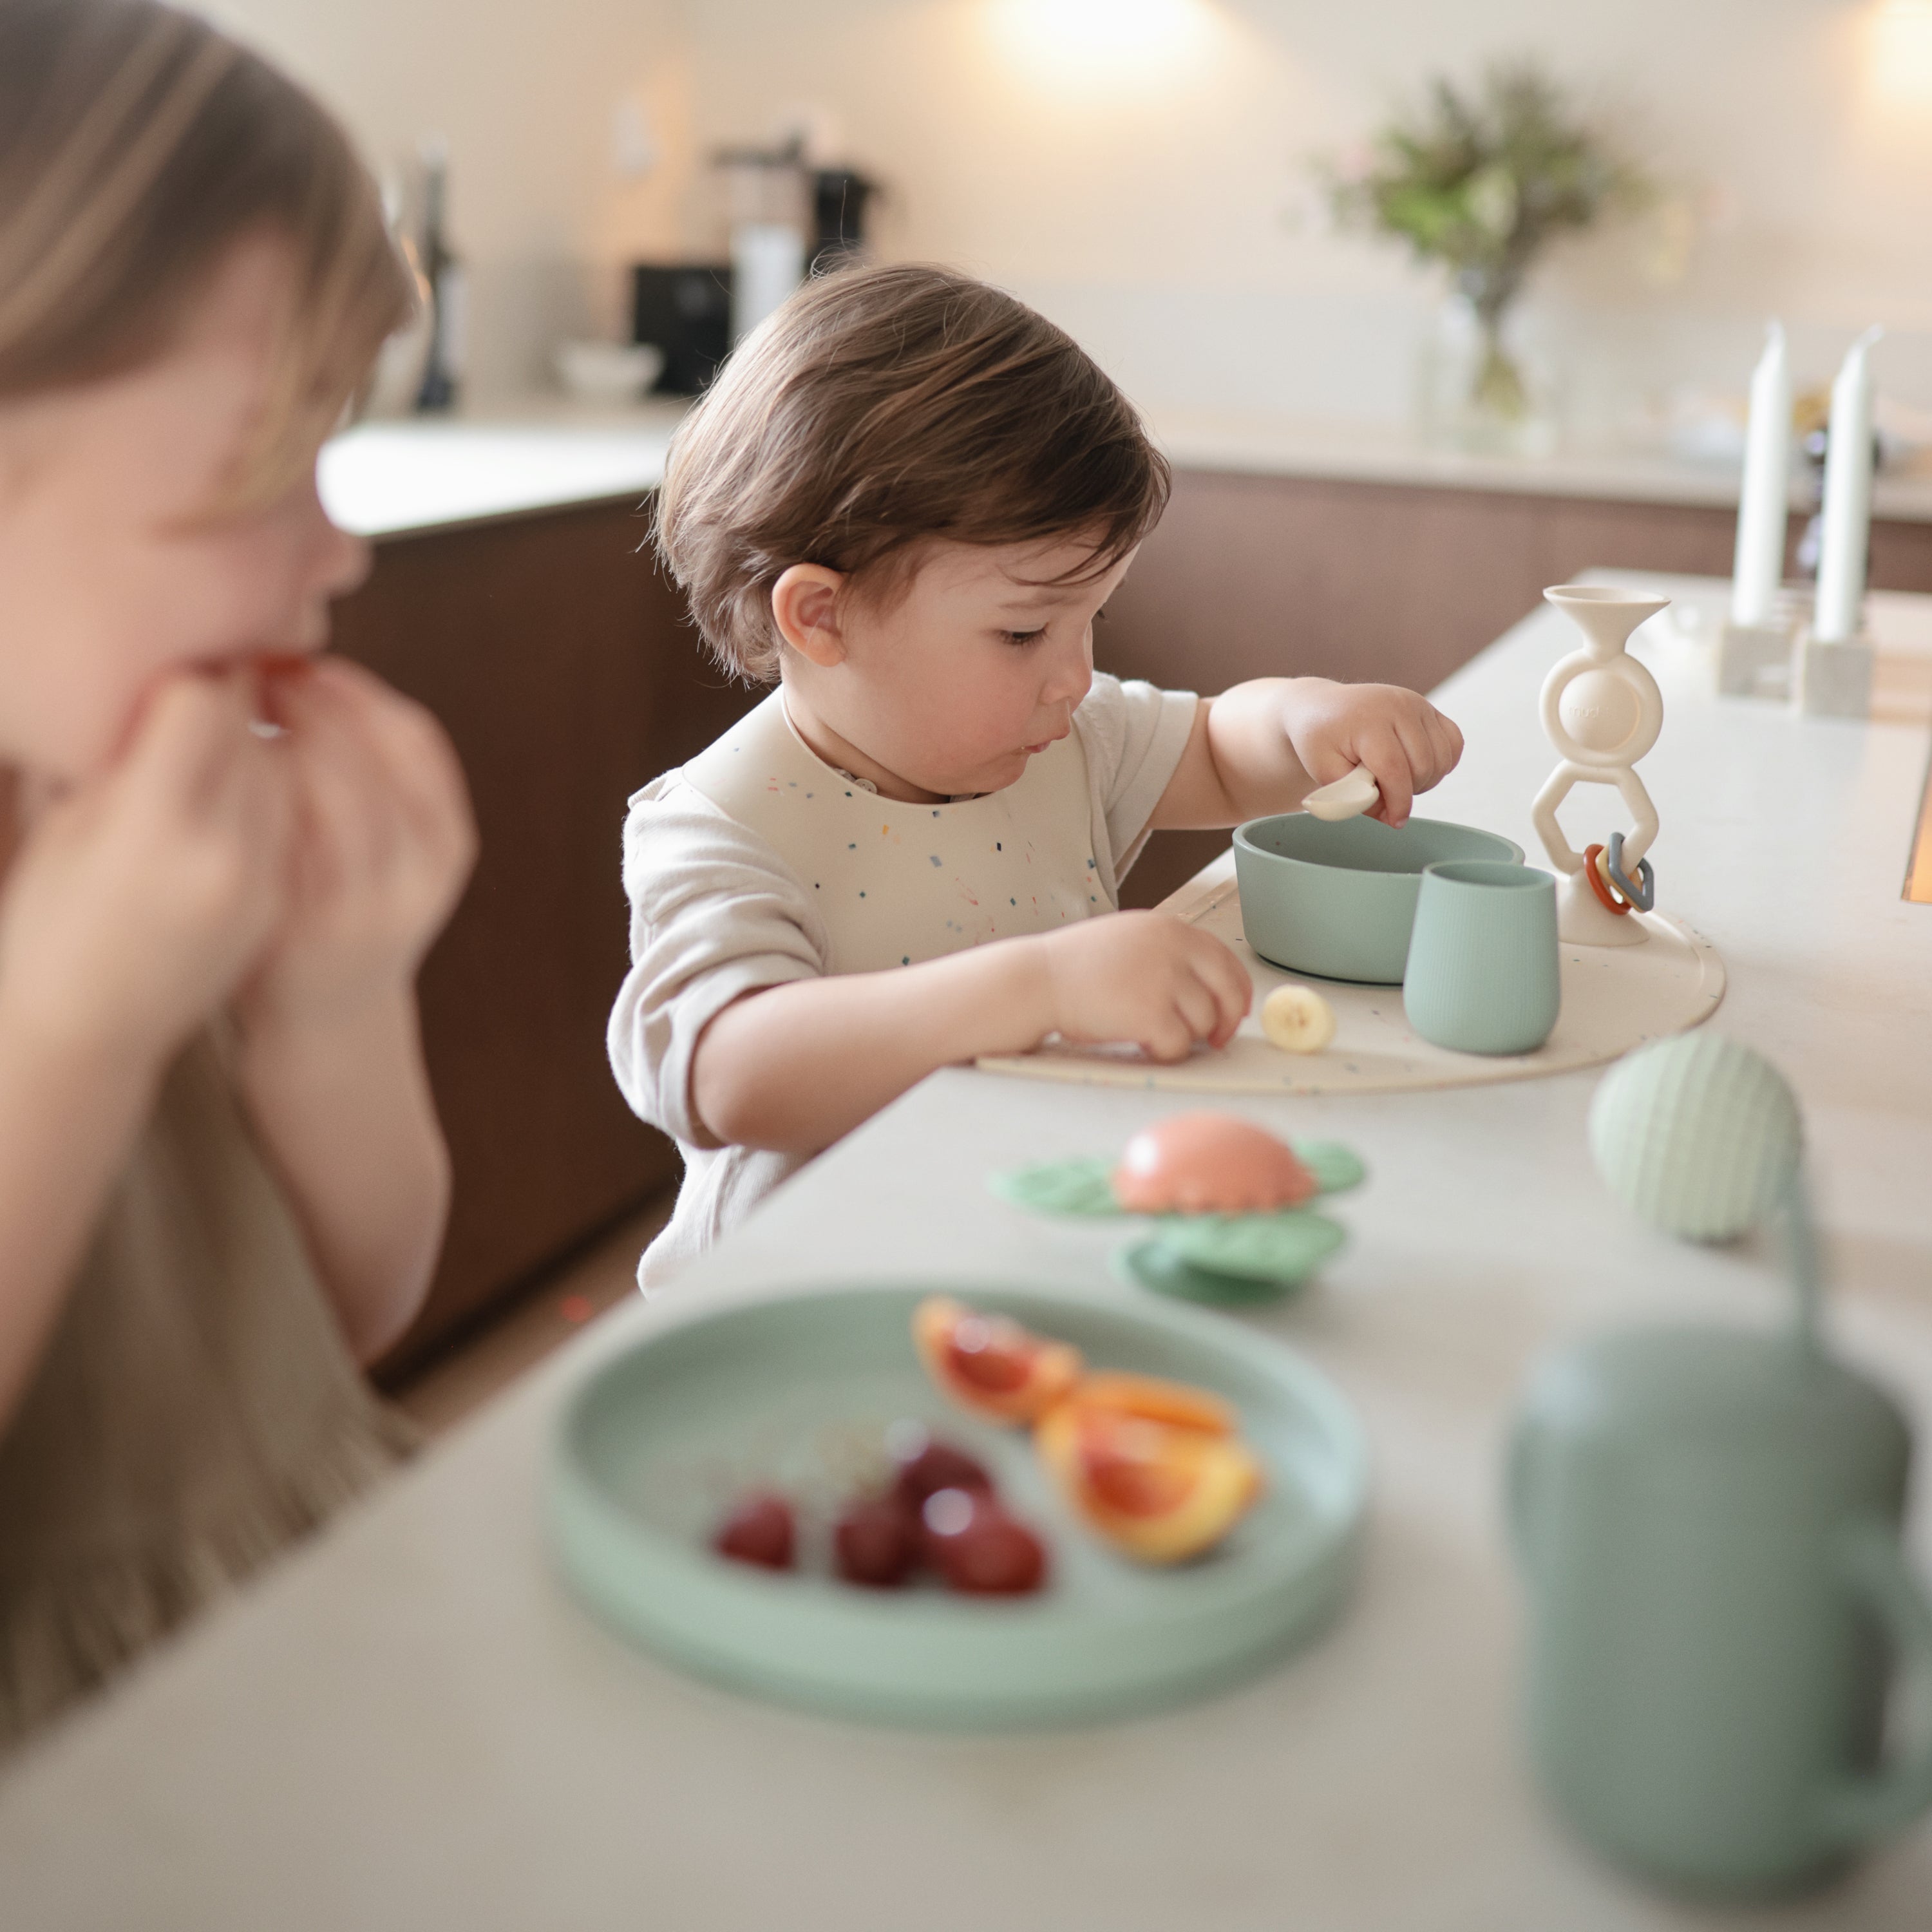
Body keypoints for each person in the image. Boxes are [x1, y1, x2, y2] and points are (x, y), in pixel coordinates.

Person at [609, 264, 1462, 1289]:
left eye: (1088, 619)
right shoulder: (720, 826)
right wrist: (1046, 983)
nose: (1077, 674)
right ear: (820, 617)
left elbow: (1220, 756)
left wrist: (1307, 716)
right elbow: (730, 1072)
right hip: (804, 1307)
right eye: (1022, 632)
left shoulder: (1064, 739)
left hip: (1023, 1260)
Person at [0, 0, 475, 1745]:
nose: (337, 548)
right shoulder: (89, 937)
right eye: (261, 477)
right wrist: (60, 1040)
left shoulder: (108, 828)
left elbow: (319, 1341)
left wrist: (336, 1013)